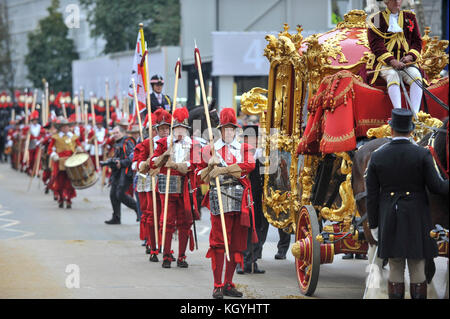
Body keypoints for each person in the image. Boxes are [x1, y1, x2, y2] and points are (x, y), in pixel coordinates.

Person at [366, 108, 449, 299]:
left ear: (391, 130)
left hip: (389, 217)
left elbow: (372, 196)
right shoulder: (422, 155)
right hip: (417, 218)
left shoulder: (377, 156)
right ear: (411, 131)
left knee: (395, 266)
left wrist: (374, 225)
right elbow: (437, 187)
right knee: (417, 266)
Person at [197, 107, 257, 299]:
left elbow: (250, 165)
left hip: (240, 200)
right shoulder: (209, 149)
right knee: (219, 243)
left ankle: (229, 284)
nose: (229, 132)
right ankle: (217, 285)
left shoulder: (243, 148)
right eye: (225, 129)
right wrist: (208, 166)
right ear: (220, 130)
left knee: (236, 244)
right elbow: (199, 177)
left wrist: (223, 170)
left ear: (235, 130)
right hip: (219, 197)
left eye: (232, 128)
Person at [149, 107, 200, 268]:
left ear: (186, 129)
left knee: (185, 221)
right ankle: (166, 255)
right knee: (167, 221)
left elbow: (195, 164)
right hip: (167, 185)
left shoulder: (193, 144)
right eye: (177, 128)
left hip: (185, 186)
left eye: (182, 128)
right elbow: (152, 162)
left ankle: (182, 256)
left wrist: (177, 165)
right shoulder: (164, 142)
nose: (179, 131)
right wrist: (164, 156)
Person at [367, 0, 423, 116]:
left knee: (416, 76)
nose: (397, 1)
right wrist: (392, 61)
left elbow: (417, 41)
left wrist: (410, 56)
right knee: (393, 74)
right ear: (387, 2)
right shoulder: (376, 18)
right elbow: (376, 44)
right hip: (385, 63)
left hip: (406, 63)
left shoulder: (410, 17)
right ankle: (399, 115)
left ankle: (415, 115)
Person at [136, 109, 171, 261]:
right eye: (161, 128)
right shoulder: (147, 143)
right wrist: (146, 162)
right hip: (151, 182)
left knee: (167, 216)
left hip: (168, 182)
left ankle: (165, 245)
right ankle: (152, 245)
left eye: (166, 128)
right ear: (156, 129)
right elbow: (137, 164)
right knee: (152, 215)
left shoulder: (173, 142)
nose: (164, 131)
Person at [236, 125, 268, 274]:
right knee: (245, 229)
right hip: (245, 197)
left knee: (261, 228)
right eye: (248, 138)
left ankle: (253, 261)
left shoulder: (264, 154)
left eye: (254, 138)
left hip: (261, 198)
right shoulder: (240, 154)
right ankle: (241, 261)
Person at [104, 125, 138, 224]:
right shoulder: (117, 143)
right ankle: (116, 217)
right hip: (117, 172)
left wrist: (121, 163)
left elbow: (132, 156)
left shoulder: (127, 142)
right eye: (114, 133)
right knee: (113, 195)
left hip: (126, 171)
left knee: (120, 194)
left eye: (117, 133)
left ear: (123, 133)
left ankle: (138, 209)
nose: (115, 135)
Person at [48, 117, 83, 209]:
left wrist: (79, 149)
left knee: (70, 181)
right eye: (64, 127)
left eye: (67, 126)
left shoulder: (73, 137)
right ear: (60, 128)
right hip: (60, 161)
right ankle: (60, 198)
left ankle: (69, 199)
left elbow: (79, 146)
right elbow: (50, 149)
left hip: (71, 161)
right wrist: (53, 155)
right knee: (60, 181)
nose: (66, 128)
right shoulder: (55, 137)